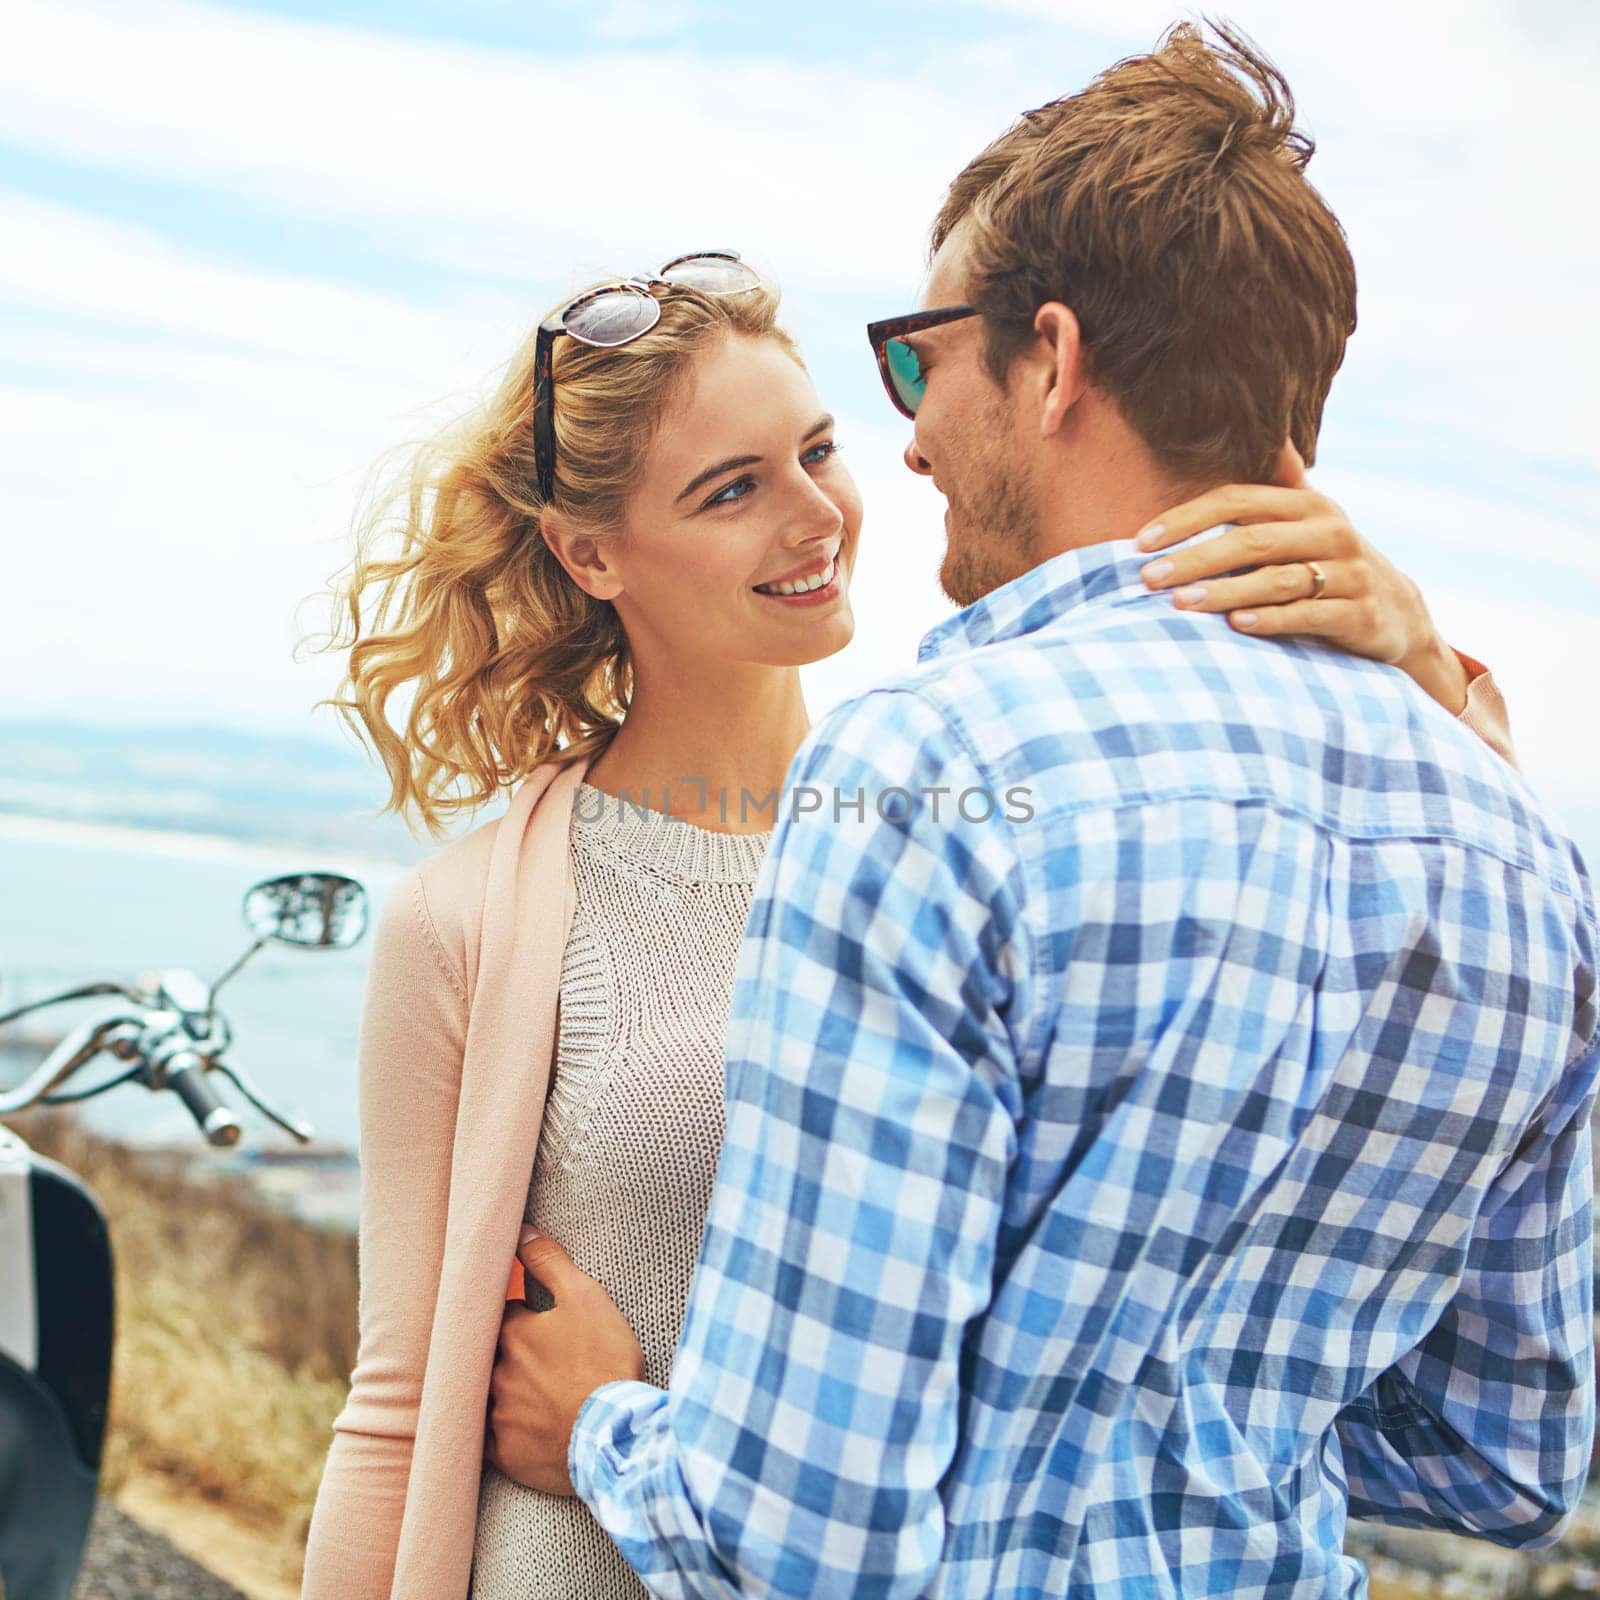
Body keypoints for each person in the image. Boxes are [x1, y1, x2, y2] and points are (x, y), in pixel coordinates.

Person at [478, 22, 1598, 1600]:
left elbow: (808, 1550)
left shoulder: (922, 777)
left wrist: (601, 1420)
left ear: (1053, 361)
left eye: (920, 359)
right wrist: (1171, 1421)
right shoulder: (1523, 858)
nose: (914, 439)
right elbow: (1501, 1463)